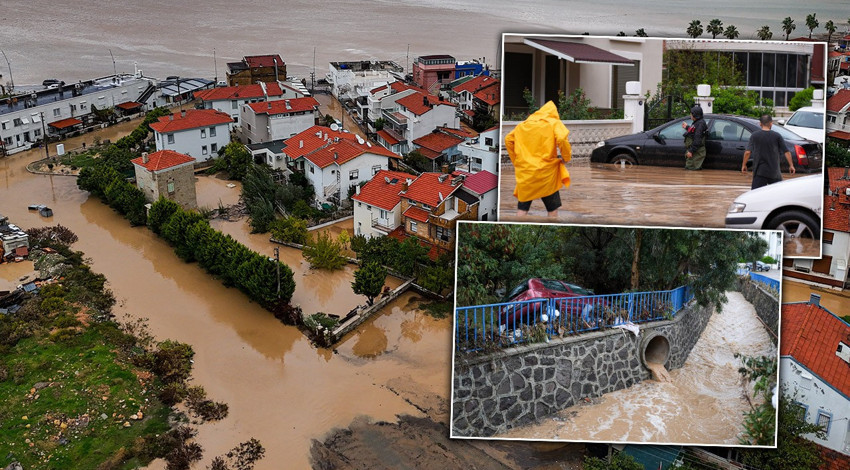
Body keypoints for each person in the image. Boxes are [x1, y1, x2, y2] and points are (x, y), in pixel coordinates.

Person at [504, 101, 571, 217]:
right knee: (552, 209)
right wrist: (566, 157)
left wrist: (516, 161)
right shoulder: (554, 123)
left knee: (522, 210)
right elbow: (561, 139)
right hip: (547, 174)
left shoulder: (522, 125)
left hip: (526, 173)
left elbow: (508, 139)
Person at [741, 114, 795, 189]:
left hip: (759, 172)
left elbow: (747, 152)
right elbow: (786, 152)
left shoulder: (754, 135)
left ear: (760, 124)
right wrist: (791, 166)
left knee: (755, 196)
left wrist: (744, 165)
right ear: (771, 123)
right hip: (775, 173)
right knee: (777, 195)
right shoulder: (777, 136)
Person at [682, 105, 707, 170]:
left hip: (696, 152)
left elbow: (697, 139)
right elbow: (694, 131)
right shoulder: (697, 122)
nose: (690, 115)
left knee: (691, 170)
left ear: (695, 115)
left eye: (691, 114)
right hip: (695, 151)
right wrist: (687, 127)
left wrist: (691, 151)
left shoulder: (700, 124)